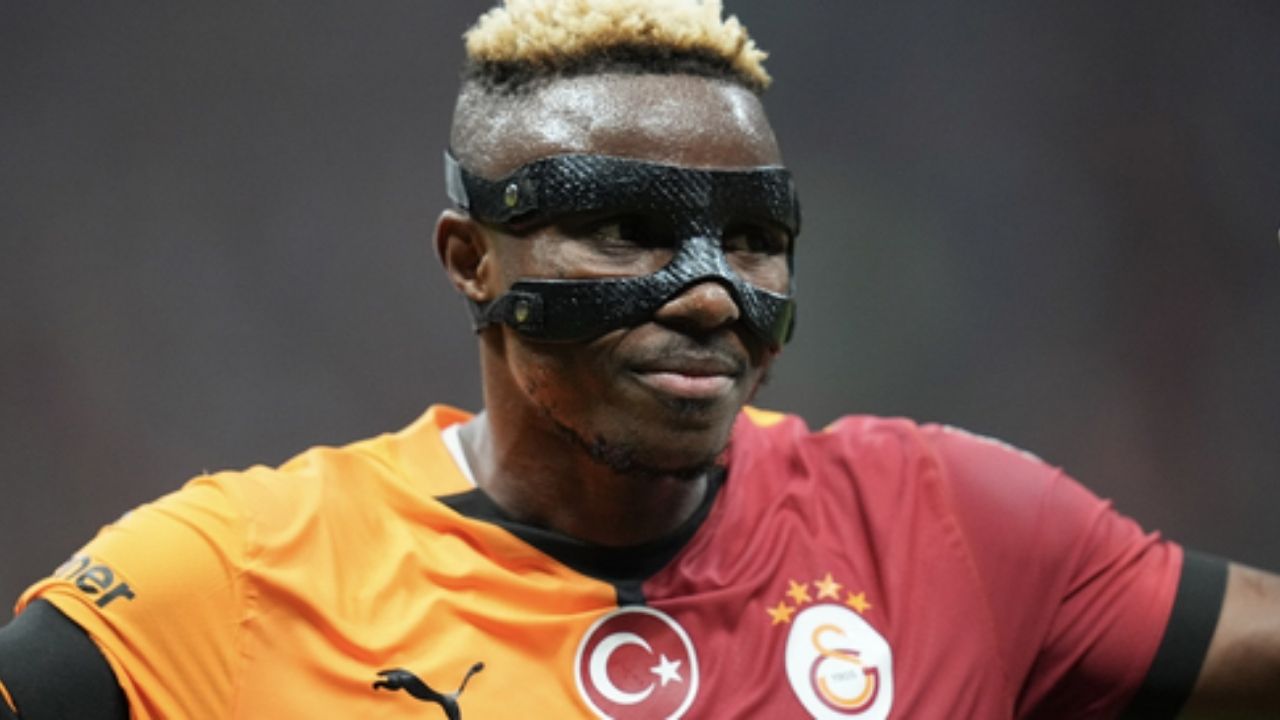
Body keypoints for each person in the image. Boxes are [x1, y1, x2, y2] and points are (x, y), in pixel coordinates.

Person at [1, 1, 1278, 718]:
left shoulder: (948, 528)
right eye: (627, 230)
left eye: (755, 239)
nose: (713, 296)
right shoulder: (233, 582)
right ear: (469, 257)